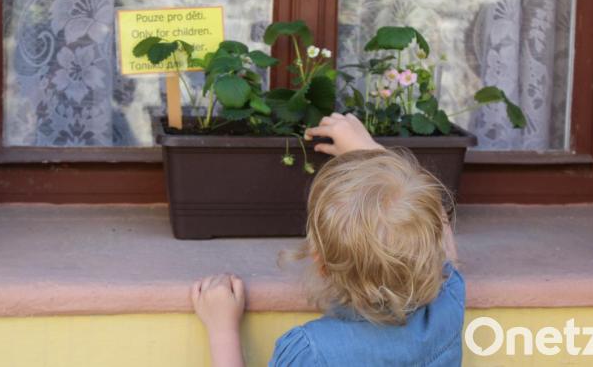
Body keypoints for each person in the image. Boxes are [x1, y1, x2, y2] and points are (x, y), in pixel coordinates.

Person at [191, 113, 465, 366]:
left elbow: (439, 230)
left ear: (321, 264)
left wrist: (222, 329)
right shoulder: (446, 306)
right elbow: (441, 234)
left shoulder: (312, 352)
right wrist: (368, 148)